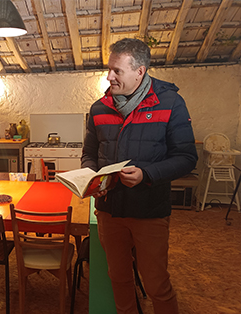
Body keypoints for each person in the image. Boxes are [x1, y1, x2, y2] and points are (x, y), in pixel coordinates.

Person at [81, 38, 198, 314]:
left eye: (117, 71)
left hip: (150, 212)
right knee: (119, 278)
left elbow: (187, 158)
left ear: (140, 71)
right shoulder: (99, 108)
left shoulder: (171, 103)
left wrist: (146, 174)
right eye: (109, 69)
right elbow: (89, 153)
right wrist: (92, 176)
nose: (109, 76)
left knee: (156, 283)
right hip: (109, 211)